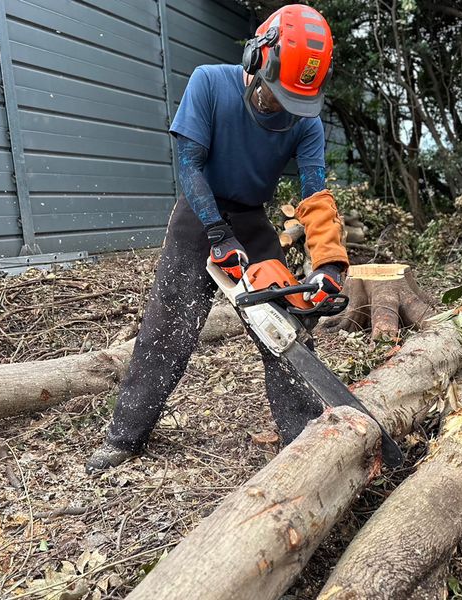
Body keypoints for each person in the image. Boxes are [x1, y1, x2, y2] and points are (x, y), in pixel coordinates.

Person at [86, 4, 349, 473]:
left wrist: (329, 262)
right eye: (275, 94)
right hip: (198, 215)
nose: (281, 107)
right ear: (257, 59)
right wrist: (216, 232)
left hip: (250, 218)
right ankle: (125, 435)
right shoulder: (210, 83)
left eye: (292, 100)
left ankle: (304, 439)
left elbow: (315, 193)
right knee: (169, 328)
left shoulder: (304, 121)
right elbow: (190, 165)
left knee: (285, 327)